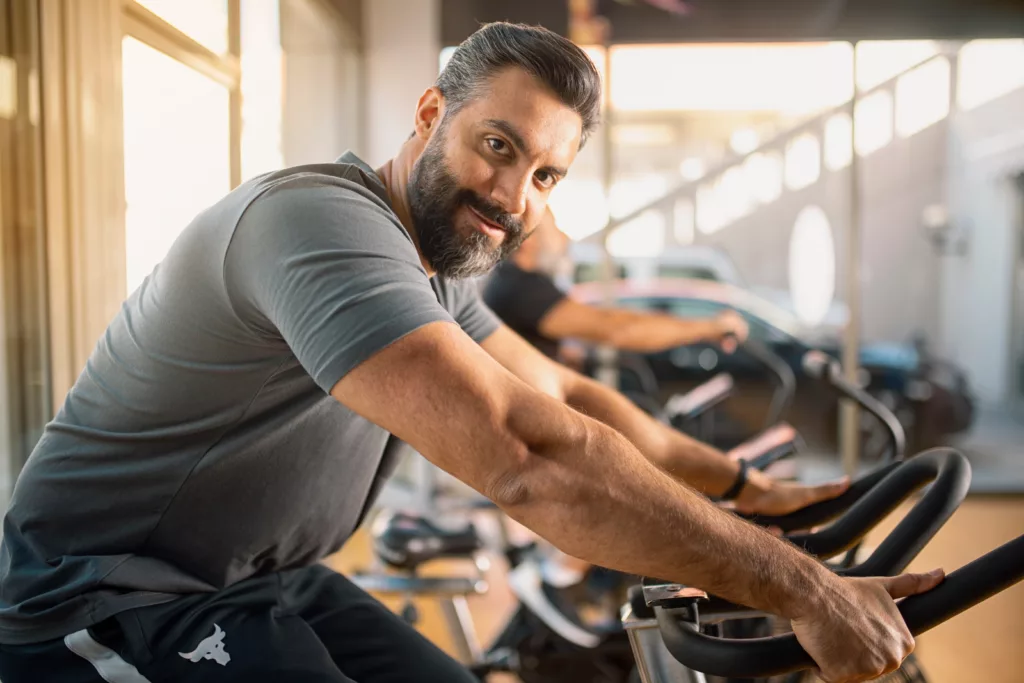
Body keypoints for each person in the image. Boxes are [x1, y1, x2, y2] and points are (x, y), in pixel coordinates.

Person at [0, 22, 941, 683]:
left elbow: (564, 391)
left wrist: (741, 491)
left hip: (257, 580)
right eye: (498, 145)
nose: (513, 195)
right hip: (99, 601)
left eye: (545, 175)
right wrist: (804, 588)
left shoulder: (436, 269)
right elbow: (528, 456)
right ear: (427, 111)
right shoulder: (317, 222)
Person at [483, 206, 749, 361]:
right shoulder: (522, 288)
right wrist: (710, 326)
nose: (564, 238)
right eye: (556, 229)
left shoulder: (514, 283)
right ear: (528, 240)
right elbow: (616, 328)